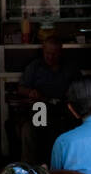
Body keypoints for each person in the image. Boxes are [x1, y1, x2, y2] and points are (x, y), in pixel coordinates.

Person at [17, 34, 73, 164]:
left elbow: (79, 87)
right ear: (43, 50)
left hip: (63, 107)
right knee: (37, 128)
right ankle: (34, 169)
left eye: (54, 54)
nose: (50, 57)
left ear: (60, 53)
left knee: (67, 126)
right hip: (41, 106)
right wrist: (31, 92)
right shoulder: (35, 66)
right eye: (47, 53)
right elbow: (20, 88)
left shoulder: (69, 67)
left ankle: (62, 169)